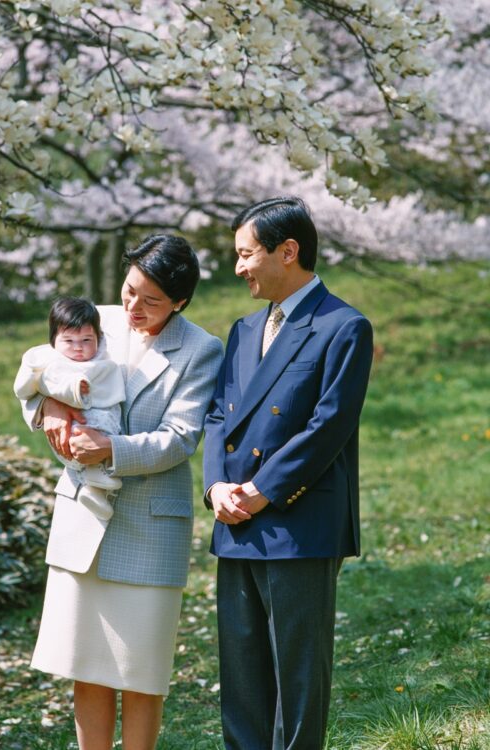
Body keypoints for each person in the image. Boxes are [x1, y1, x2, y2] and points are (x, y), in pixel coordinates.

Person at [20, 234, 223, 750]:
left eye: (151, 301)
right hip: (83, 516)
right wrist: (50, 411)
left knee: (140, 672)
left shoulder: (201, 350)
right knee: (85, 666)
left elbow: (180, 438)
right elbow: (38, 375)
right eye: (130, 290)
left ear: (179, 302)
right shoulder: (98, 321)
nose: (133, 307)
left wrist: (110, 448)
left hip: (151, 526)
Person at [203, 197, 373, 750]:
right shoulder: (243, 329)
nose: (239, 267)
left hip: (298, 523)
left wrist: (261, 491)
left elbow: (329, 426)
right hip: (235, 521)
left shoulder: (344, 326)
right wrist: (216, 487)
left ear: (288, 251)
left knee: (297, 683)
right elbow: (217, 416)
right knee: (243, 681)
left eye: (246, 254)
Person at [13, 297, 126, 549]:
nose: (78, 348)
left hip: (105, 432)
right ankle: (93, 480)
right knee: (84, 434)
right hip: (73, 433)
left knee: (100, 427)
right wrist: (52, 401)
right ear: (54, 339)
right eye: (69, 341)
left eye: (87, 341)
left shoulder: (103, 353)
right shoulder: (47, 360)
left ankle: (95, 488)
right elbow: (30, 386)